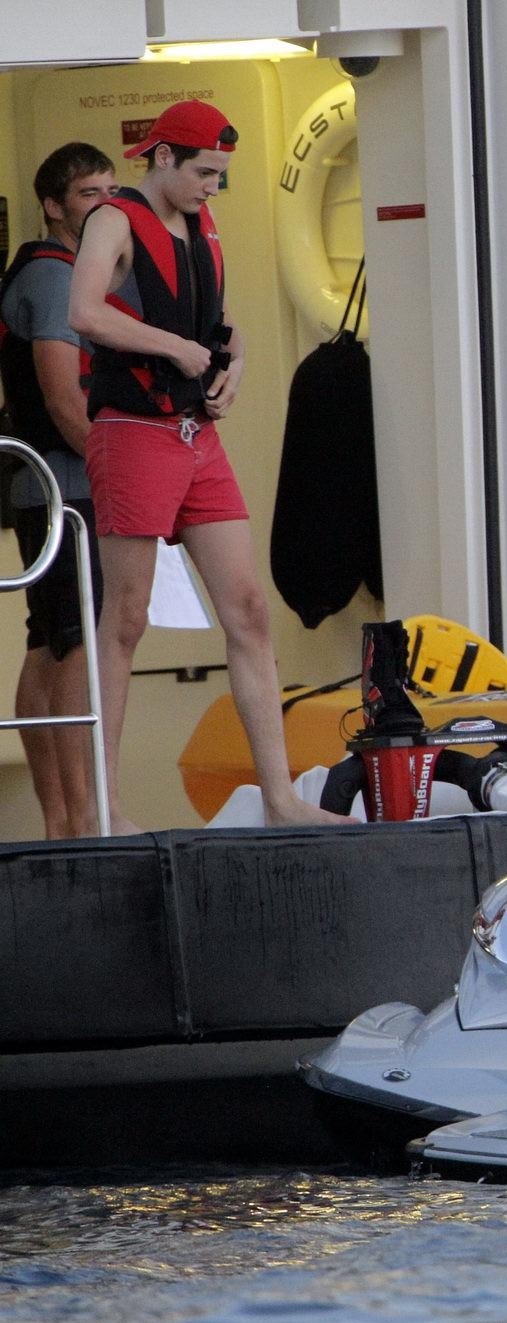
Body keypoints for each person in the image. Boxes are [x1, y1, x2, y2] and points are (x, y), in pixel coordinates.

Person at [68, 100, 346, 832]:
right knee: (125, 620)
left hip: (197, 436)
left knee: (250, 613)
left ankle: (281, 799)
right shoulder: (115, 220)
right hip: (134, 432)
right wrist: (171, 348)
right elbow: (85, 312)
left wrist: (236, 360)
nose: (213, 189)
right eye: (205, 173)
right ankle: (106, 808)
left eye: (221, 176)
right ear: (163, 158)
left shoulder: (199, 223)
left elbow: (214, 323)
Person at [0, 144, 116, 837]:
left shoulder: (63, 273)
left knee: (49, 642)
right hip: (63, 487)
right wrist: (116, 471)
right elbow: (62, 397)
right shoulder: (51, 279)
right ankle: (77, 818)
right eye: (87, 193)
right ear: (54, 204)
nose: (103, 203)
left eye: (110, 190)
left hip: (41, 486)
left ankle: (62, 820)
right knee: (78, 643)